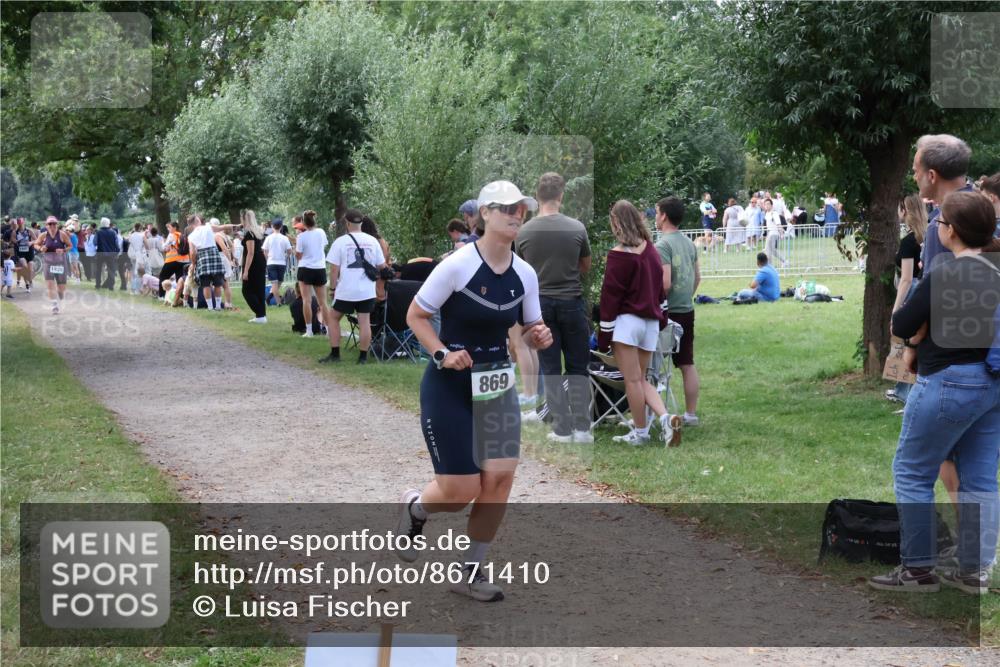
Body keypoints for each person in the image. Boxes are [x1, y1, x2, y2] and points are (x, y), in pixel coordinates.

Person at [395, 179, 552, 603]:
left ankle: (470, 571)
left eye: (521, 209)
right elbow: (416, 316)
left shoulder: (525, 274)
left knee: (499, 481)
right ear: (484, 214)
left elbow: (530, 328)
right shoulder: (457, 265)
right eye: (506, 208)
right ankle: (416, 508)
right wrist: (443, 353)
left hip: (495, 382)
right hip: (449, 384)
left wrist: (539, 335)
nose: (516, 214)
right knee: (460, 491)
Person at [871, 190, 1000, 595]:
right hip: (992, 386)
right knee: (981, 478)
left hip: (947, 380)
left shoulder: (944, 274)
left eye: (939, 223)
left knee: (912, 471)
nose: (936, 229)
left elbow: (902, 324)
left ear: (952, 231)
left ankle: (918, 569)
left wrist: (915, 336)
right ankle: (974, 571)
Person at [515, 172, 593, 442]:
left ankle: (562, 428)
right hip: (572, 301)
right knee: (578, 366)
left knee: (550, 367)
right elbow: (585, 266)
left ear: (537, 197)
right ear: (561, 195)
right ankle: (582, 428)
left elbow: (520, 270)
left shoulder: (524, 232)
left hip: (540, 306)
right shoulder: (576, 228)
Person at [598, 200, 680, 446]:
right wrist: (662, 317)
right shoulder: (651, 250)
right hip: (650, 323)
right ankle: (665, 418)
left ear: (616, 222)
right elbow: (659, 290)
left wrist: (604, 336)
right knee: (642, 379)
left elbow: (610, 298)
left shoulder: (618, 255)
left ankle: (641, 433)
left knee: (632, 381)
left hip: (627, 323)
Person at [655, 196, 702, 427]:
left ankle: (651, 414)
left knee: (652, 365)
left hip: (667, 313)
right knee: (686, 363)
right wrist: (686, 296)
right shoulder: (689, 243)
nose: (655, 217)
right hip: (687, 309)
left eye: (656, 213)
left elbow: (664, 283)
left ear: (664, 215)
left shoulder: (662, 245)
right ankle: (691, 414)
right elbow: (697, 277)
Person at [318, 209, 387, 364]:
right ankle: (362, 358)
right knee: (364, 321)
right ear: (361, 222)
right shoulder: (373, 241)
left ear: (347, 223)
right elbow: (382, 266)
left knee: (333, 318)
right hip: (367, 290)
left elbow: (334, 269)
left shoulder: (340, 242)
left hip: (346, 290)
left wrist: (332, 289)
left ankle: (335, 354)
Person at [885, 195, 928, 405]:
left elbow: (907, 279)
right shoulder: (927, 236)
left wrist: (896, 310)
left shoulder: (909, 242)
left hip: (911, 293)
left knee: (901, 337)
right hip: (924, 291)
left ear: (905, 211)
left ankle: (903, 391)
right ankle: (903, 388)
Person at [187, 215, 235, 311]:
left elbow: (192, 252)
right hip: (214, 254)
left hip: (202, 257)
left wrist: (193, 263)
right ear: (198, 221)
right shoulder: (208, 227)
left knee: (206, 285)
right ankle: (218, 306)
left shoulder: (191, 236)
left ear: (191, 224)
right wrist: (236, 225)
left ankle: (210, 307)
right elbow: (222, 227)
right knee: (218, 283)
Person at [295, 210, 331, 338]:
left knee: (307, 300)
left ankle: (309, 331)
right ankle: (329, 330)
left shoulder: (301, 237)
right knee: (323, 302)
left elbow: (299, 255)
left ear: (303, 223)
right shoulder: (321, 232)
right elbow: (323, 246)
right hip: (319, 268)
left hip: (305, 268)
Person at [32, 216, 71, 314]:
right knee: (50, 285)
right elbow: (35, 244)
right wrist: (40, 248)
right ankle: (54, 306)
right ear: (46, 225)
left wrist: (63, 250)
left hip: (60, 264)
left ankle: (61, 298)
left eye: (54, 223)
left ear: (57, 224)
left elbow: (70, 245)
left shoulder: (62, 234)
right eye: (50, 224)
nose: (52, 226)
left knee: (61, 289)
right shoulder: (43, 235)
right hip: (48, 263)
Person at [240, 210, 268, 323]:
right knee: (259, 289)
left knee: (246, 290)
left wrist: (246, 271)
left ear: (244, 219)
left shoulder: (249, 234)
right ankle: (261, 316)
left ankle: (260, 313)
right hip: (260, 261)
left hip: (253, 263)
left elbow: (250, 253)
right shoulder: (258, 232)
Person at [361, 216, 392, 301]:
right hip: (381, 277)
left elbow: (381, 262)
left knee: (374, 300)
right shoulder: (381, 240)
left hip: (375, 277)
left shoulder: (373, 242)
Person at [262, 220, 292, 305]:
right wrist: (286, 257)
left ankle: (270, 297)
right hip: (281, 262)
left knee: (275, 283)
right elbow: (289, 251)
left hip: (271, 262)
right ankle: (279, 302)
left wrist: (267, 259)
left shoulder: (268, 238)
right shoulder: (284, 238)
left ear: (272, 227)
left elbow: (265, 251)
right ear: (281, 227)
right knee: (278, 282)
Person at [158, 221, 189, 298]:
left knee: (163, 276)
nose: (168, 229)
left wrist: (163, 242)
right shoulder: (181, 235)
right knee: (180, 279)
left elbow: (164, 247)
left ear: (175, 227)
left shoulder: (172, 235)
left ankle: (162, 295)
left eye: (169, 227)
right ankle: (181, 297)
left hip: (172, 260)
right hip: (184, 261)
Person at [93, 217, 119, 290]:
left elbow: (94, 243)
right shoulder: (113, 232)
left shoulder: (98, 232)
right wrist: (117, 252)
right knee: (111, 270)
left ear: (101, 223)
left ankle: (98, 285)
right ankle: (111, 286)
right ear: (108, 223)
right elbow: (116, 244)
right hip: (111, 254)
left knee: (98, 269)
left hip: (100, 253)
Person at [762, 198, 786, 267]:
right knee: (772, 250)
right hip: (770, 233)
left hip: (774, 233)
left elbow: (778, 224)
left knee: (768, 250)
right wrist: (765, 235)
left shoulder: (774, 213)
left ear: (771, 205)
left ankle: (770, 265)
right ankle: (784, 261)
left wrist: (781, 234)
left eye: (768, 204)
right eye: (765, 204)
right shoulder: (767, 214)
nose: (767, 206)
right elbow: (767, 226)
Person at [127, 223, 147, 294]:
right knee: (139, 272)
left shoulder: (131, 235)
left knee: (133, 271)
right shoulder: (142, 235)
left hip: (132, 254)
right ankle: (137, 290)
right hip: (139, 254)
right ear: (140, 228)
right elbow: (147, 245)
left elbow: (129, 244)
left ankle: (133, 289)